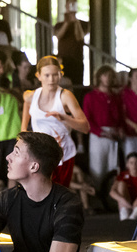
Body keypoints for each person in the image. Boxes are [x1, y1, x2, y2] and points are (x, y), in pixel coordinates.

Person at [22, 56, 89, 187]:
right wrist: (24, 130)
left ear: (60, 75)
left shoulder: (65, 96)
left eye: (55, 75)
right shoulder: (31, 96)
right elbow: (26, 102)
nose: (51, 80)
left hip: (63, 154)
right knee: (39, 192)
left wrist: (65, 118)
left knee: (59, 194)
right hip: (40, 153)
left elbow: (85, 127)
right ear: (39, 76)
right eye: (47, 75)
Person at [82, 65, 123, 186]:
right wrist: (101, 132)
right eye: (105, 75)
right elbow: (87, 119)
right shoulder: (90, 96)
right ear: (99, 77)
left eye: (110, 76)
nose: (108, 78)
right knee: (98, 165)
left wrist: (119, 129)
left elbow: (119, 116)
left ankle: (112, 194)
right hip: (98, 134)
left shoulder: (115, 97)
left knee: (113, 165)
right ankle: (98, 192)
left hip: (113, 134)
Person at [109, 152, 137, 221]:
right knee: (121, 184)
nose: (134, 165)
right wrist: (123, 201)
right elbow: (112, 192)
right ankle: (124, 212)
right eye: (131, 163)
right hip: (127, 202)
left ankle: (136, 212)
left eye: (136, 162)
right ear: (127, 164)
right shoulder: (122, 175)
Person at [53, 0, 87, 83]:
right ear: (66, 6)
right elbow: (59, 35)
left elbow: (80, 37)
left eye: (73, 3)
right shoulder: (59, 25)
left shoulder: (83, 24)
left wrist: (76, 21)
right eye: (69, 4)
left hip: (77, 60)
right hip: (63, 61)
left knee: (77, 85)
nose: (71, 6)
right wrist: (67, 22)